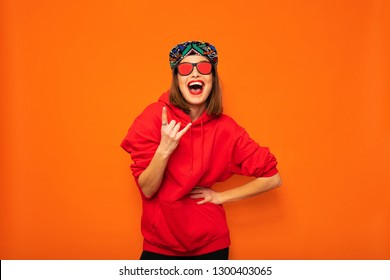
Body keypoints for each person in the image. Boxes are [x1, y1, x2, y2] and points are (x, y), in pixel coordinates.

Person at [121, 40, 282, 260]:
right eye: (185, 68)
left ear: (212, 79)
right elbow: (148, 189)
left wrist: (221, 197)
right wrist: (164, 149)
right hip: (159, 244)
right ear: (177, 80)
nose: (195, 73)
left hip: (211, 244)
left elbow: (273, 178)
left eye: (204, 67)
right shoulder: (154, 117)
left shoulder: (227, 129)